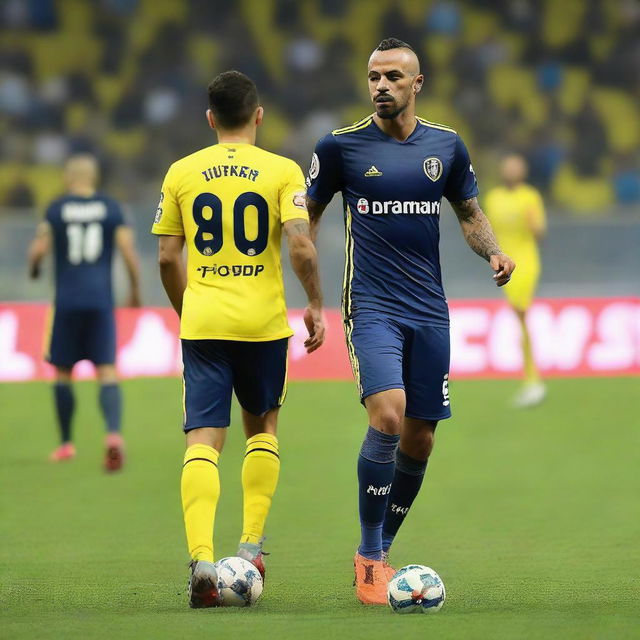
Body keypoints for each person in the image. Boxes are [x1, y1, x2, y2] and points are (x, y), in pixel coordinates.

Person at [305, 38, 515, 605]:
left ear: (416, 84)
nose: (381, 86)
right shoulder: (341, 147)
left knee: (420, 439)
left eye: (393, 77)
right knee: (389, 414)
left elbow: (469, 212)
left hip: (429, 310)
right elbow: (307, 216)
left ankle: (385, 544)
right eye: (374, 76)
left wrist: (492, 251)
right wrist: (309, 289)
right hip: (370, 305)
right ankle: (370, 554)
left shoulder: (446, 146)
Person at [152, 70, 325, 608]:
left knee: (202, 440)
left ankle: (202, 559)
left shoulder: (181, 172)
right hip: (262, 324)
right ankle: (250, 547)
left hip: (205, 323)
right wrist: (315, 302)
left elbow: (165, 255)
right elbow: (300, 245)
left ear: (210, 119)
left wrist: (189, 307)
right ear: (258, 115)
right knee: (263, 428)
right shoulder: (281, 170)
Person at [28, 154, 141, 471]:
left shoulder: (57, 208)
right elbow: (128, 252)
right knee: (106, 370)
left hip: (66, 301)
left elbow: (39, 250)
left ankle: (66, 444)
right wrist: (134, 290)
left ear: (69, 177)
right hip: (100, 301)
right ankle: (114, 436)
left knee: (63, 373)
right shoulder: (111, 207)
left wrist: (35, 268)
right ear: (93, 177)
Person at [484, 154, 546, 407]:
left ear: (523, 171)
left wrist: (531, 223)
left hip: (526, 262)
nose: (511, 171)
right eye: (508, 166)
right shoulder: (493, 197)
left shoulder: (529, 196)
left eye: (516, 167)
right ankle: (531, 379)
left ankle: (533, 380)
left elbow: (539, 231)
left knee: (521, 313)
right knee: (518, 317)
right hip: (503, 264)